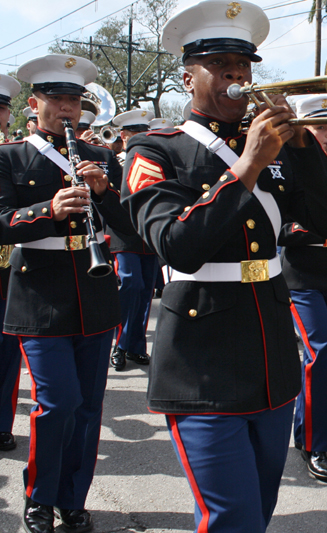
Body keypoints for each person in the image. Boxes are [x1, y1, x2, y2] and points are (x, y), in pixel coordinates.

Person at [120, 2, 327, 531]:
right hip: (200, 357)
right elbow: (177, 244)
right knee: (232, 515)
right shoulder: (154, 149)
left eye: (244, 66)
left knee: (261, 506)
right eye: (220, 64)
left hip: (268, 351)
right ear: (188, 77)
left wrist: (301, 147)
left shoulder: (272, 148)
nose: (236, 75)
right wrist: (247, 166)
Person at [0, 54, 132, 532]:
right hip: (40, 294)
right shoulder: (10, 156)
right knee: (57, 403)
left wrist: (103, 194)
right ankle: (40, 497)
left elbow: (129, 230)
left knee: (89, 406)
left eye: (74, 100)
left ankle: (73, 499)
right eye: (57, 99)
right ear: (34, 103)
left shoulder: (98, 156)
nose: (67, 108)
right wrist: (46, 210)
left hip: (94, 293)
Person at [280, 94, 327, 482]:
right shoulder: (285, 162)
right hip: (302, 271)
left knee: (324, 358)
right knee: (322, 355)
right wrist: (317, 224)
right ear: (303, 128)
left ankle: (303, 429)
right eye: (324, 126)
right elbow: (272, 223)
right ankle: (316, 444)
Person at [107, 109, 158, 371]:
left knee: (146, 290)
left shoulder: (156, 162)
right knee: (130, 284)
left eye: (144, 132)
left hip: (147, 234)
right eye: (136, 133)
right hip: (123, 235)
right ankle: (120, 343)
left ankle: (136, 346)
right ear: (124, 137)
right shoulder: (116, 163)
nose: (142, 137)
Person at [0, 74, 22, 454]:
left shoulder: (12, 153)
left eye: (1, 107)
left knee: (5, 347)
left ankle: (2, 422)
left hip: (5, 261)